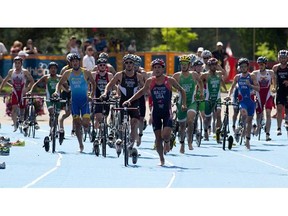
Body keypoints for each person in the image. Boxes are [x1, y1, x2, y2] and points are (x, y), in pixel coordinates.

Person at [122, 58, 187, 166]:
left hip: (167, 112)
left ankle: (167, 141)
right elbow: (141, 92)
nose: (157, 70)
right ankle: (161, 159)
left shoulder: (169, 80)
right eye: (155, 68)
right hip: (156, 112)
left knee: (165, 135)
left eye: (159, 68)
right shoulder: (150, 81)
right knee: (158, 138)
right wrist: (129, 100)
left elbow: (182, 90)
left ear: (163, 69)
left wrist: (183, 103)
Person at [101, 54, 144, 152]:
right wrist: (105, 93)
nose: (129, 65)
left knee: (134, 124)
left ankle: (131, 145)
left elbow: (144, 88)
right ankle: (119, 139)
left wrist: (148, 93)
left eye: (131, 63)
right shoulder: (120, 75)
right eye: (127, 63)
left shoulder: (139, 76)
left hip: (134, 103)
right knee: (120, 124)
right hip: (122, 102)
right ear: (124, 64)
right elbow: (110, 84)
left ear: (134, 65)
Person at [54, 53, 96, 152]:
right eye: (73, 61)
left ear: (79, 62)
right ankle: (80, 144)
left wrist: (91, 95)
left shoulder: (86, 72)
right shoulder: (68, 73)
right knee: (77, 124)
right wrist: (56, 92)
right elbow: (59, 84)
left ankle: (87, 127)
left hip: (84, 101)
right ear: (71, 63)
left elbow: (93, 84)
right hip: (74, 102)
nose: (75, 63)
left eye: (77, 61)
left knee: (85, 124)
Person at [173, 55, 204, 153]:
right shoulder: (176, 76)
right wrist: (175, 95)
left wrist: (201, 93)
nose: (183, 66)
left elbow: (200, 82)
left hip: (192, 102)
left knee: (190, 120)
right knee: (182, 126)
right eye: (182, 64)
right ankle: (182, 144)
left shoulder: (194, 74)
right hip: (181, 103)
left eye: (185, 64)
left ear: (189, 65)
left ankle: (190, 141)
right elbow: (171, 86)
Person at [227, 58, 260, 150]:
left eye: (245, 66)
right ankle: (240, 127)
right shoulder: (237, 77)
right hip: (243, 101)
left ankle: (247, 140)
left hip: (251, 101)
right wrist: (229, 96)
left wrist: (250, 85)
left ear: (247, 67)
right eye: (241, 67)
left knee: (249, 121)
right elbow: (232, 88)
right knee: (243, 114)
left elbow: (258, 88)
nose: (243, 68)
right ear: (239, 67)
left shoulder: (252, 76)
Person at [0, 56, 34, 132]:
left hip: (22, 93)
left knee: (22, 109)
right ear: (14, 64)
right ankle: (15, 124)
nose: (17, 65)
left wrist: (27, 89)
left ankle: (22, 120)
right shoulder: (11, 71)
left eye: (19, 63)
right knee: (14, 109)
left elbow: (32, 81)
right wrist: (0, 88)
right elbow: (5, 81)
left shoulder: (25, 72)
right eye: (16, 63)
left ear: (21, 64)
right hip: (15, 92)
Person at [27, 62, 62, 134]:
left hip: (58, 99)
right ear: (49, 69)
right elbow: (36, 83)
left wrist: (68, 90)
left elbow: (66, 86)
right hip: (49, 98)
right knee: (52, 112)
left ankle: (54, 128)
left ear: (57, 69)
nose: (53, 70)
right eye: (51, 68)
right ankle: (52, 128)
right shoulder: (46, 77)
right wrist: (31, 91)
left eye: (55, 68)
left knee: (57, 115)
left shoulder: (60, 77)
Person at [200, 58, 227, 141]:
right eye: (212, 65)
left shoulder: (219, 74)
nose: (214, 67)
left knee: (218, 114)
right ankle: (205, 131)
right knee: (207, 118)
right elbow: (199, 83)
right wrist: (200, 92)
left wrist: (226, 90)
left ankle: (218, 133)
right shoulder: (205, 75)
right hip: (208, 99)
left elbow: (224, 76)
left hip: (217, 98)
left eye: (215, 65)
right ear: (208, 66)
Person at [252, 56, 275, 141]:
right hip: (259, 95)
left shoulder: (270, 72)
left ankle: (267, 134)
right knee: (259, 114)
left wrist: (274, 87)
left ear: (265, 65)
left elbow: (274, 82)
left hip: (268, 95)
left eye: (262, 64)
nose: (260, 66)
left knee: (268, 113)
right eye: (259, 64)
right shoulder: (255, 73)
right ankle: (258, 126)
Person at [91, 58, 113, 130]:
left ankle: (103, 133)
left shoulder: (109, 75)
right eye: (101, 65)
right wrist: (89, 93)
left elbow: (113, 86)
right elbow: (89, 85)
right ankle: (97, 133)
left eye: (104, 65)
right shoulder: (94, 74)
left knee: (105, 116)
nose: (102, 66)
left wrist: (115, 93)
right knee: (98, 117)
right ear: (97, 66)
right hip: (97, 97)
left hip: (106, 97)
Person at [272, 50, 288, 136]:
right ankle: (279, 128)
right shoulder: (276, 68)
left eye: (284, 58)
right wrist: (274, 87)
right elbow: (274, 78)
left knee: (287, 109)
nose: (282, 59)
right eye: (281, 58)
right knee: (279, 108)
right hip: (280, 90)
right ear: (278, 58)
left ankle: (286, 120)